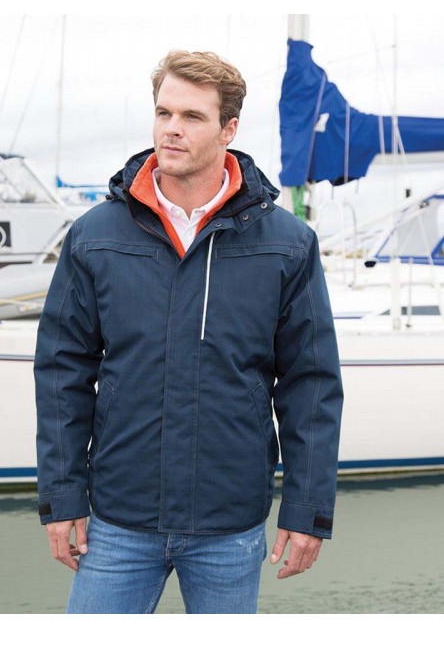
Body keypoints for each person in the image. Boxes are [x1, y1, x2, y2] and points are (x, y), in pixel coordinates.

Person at [34, 50, 343, 614]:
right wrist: (61, 495)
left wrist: (308, 509)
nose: (171, 128)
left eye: (192, 116)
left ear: (229, 129)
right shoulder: (95, 236)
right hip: (118, 519)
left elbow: (311, 385)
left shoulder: (287, 244)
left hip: (230, 524)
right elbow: (62, 373)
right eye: (164, 112)